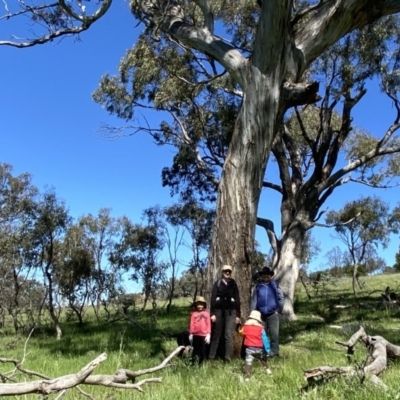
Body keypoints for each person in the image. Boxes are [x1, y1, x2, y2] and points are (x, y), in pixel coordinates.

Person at [209, 264, 241, 362]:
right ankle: (211, 357)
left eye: (229, 271)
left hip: (231, 312)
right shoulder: (217, 283)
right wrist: (212, 313)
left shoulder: (233, 283)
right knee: (216, 334)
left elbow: (237, 299)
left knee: (228, 334)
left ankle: (228, 358)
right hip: (218, 311)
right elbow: (213, 299)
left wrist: (238, 315)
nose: (227, 273)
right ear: (222, 272)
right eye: (225, 271)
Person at [250, 266, 284, 357]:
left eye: (267, 274)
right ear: (262, 276)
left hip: (273, 314)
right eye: (264, 274)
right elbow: (254, 300)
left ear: (270, 275)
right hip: (261, 315)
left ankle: (275, 353)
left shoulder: (275, 285)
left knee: (274, 335)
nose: (266, 276)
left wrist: (279, 310)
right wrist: (253, 314)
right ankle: (264, 353)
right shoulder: (258, 286)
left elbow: (281, 298)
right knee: (262, 335)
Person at [240, 310, 272, 381]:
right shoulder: (261, 329)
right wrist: (267, 349)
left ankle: (247, 377)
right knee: (261, 359)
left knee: (248, 362)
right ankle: (268, 371)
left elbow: (241, 333)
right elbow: (265, 339)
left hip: (249, 348)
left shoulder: (245, 327)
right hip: (258, 348)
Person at [188, 296, 211, 365]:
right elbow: (191, 324)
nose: (199, 306)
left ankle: (202, 363)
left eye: (201, 304)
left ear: (204, 305)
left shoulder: (206, 314)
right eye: (198, 304)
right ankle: (193, 363)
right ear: (196, 305)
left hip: (203, 335)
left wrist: (208, 334)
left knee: (203, 350)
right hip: (195, 335)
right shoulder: (193, 314)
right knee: (195, 349)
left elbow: (208, 324)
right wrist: (191, 333)